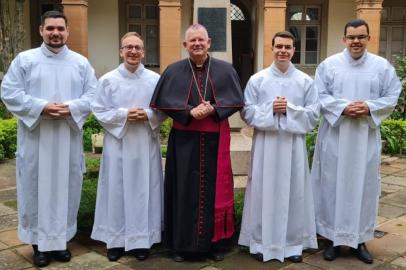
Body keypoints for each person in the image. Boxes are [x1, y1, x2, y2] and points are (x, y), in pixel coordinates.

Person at [0, 10, 97, 267]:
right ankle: (38, 245)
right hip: (36, 140)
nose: (55, 33)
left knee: (67, 188)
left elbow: (93, 96)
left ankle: (61, 242)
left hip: (67, 138)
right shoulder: (25, 60)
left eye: (60, 29)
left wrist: (72, 108)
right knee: (35, 189)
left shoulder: (80, 63)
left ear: (68, 31)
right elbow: (9, 91)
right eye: (50, 28)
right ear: (41, 30)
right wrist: (41, 107)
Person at [150, 24, 244, 262]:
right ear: (185, 45)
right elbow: (165, 101)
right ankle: (180, 246)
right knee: (182, 190)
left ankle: (214, 246)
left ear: (209, 42)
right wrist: (189, 112)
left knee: (214, 192)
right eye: (192, 41)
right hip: (184, 142)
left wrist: (213, 107)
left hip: (215, 141)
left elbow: (234, 100)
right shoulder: (173, 71)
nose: (197, 44)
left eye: (201, 40)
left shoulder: (224, 70)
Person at [311, 19, 401, 264]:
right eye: (351, 37)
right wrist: (341, 108)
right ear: (344, 39)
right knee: (332, 185)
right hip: (335, 136)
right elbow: (318, 94)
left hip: (364, 138)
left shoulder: (381, 67)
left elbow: (392, 96)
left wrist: (370, 107)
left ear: (368, 38)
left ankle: (359, 240)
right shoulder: (329, 65)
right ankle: (331, 239)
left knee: (364, 187)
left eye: (361, 37)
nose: (356, 41)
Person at [238, 31, 319, 263]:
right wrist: (271, 110)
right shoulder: (258, 79)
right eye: (279, 46)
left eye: (288, 47)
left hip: (293, 146)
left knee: (294, 192)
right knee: (264, 191)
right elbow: (247, 112)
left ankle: (293, 245)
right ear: (271, 48)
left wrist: (290, 109)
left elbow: (313, 115)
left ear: (294, 50)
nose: (283, 50)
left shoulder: (305, 81)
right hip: (266, 145)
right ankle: (261, 243)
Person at [91, 32, 164, 262]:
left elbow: (163, 109)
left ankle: (142, 240)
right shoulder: (108, 80)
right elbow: (99, 110)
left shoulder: (154, 80)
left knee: (145, 190)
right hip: (118, 145)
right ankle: (116, 241)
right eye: (128, 47)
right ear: (120, 51)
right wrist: (124, 115)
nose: (133, 51)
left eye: (137, 48)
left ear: (144, 52)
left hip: (145, 144)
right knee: (116, 191)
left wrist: (148, 114)